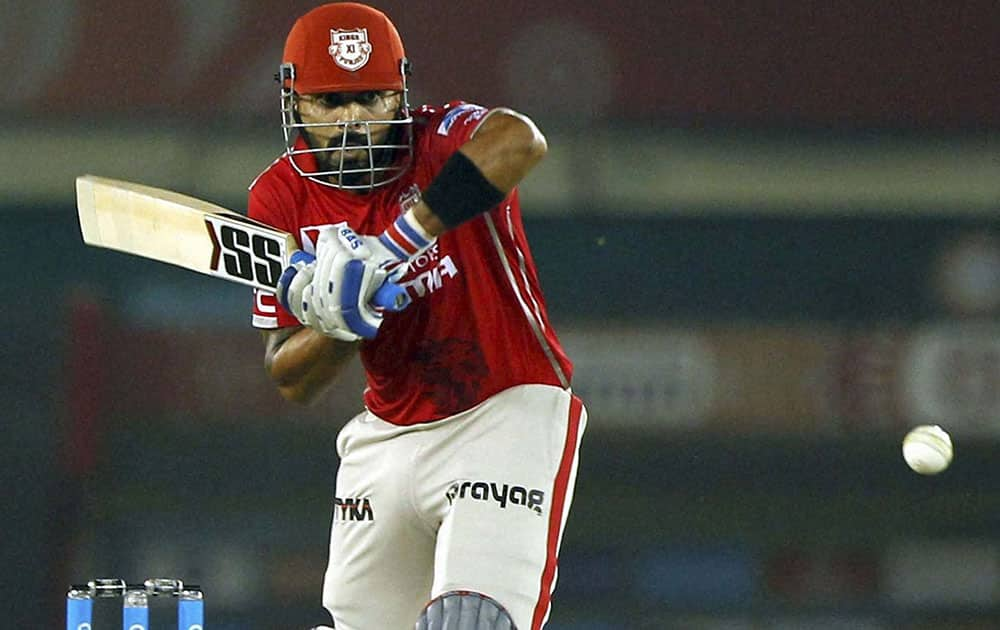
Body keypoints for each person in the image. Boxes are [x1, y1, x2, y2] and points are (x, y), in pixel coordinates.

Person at [248, 3, 587, 629]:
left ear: (401, 94)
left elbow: (522, 140)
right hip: (387, 434)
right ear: (294, 103)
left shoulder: (441, 141)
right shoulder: (278, 197)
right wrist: (341, 324)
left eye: (370, 99)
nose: (353, 123)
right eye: (331, 103)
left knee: (471, 619)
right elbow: (289, 375)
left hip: (503, 411)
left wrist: (398, 243)